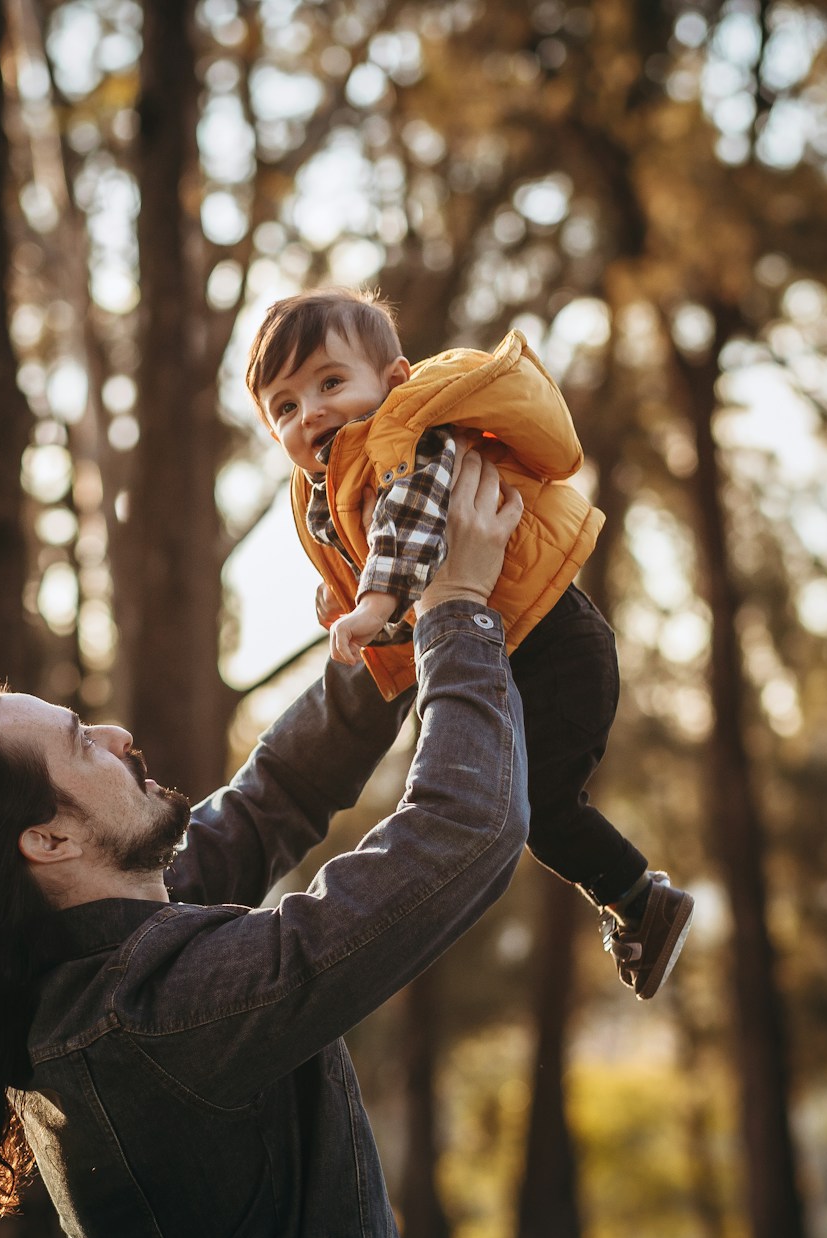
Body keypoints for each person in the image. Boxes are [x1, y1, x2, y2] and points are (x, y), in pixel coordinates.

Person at [0, 451, 533, 1238]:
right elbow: (465, 827)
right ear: (48, 841)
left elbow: (278, 793)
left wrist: (388, 629)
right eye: (77, 743)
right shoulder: (162, 1016)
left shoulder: (95, 963)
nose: (116, 737)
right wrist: (459, 612)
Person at [245, 285, 694, 999]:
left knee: (534, 807)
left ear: (392, 381)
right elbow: (410, 568)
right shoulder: (332, 486)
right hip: (508, 649)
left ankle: (643, 900)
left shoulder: (406, 439)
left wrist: (373, 602)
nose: (313, 412)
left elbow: (414, 526)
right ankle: (640, 900)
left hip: (558, 648)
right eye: (287, 407)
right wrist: (359, 601)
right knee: (522, 806)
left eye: (331, 382)